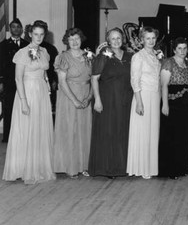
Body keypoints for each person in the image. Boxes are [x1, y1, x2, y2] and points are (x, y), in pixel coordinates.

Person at [2, 20, 55, 184]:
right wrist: (24, 102)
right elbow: (18, 79)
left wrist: (47, 88)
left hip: (41, 94)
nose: (38, 37)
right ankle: (23, 168)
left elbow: (44, 73)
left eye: (41, 34)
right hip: (27, 92)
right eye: (35, 34)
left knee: (39, 129)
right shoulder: (22, 53)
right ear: (30, 34)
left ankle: (38, 167)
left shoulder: (45, 51)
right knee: (26, 129)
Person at [88, 28, 133, 178]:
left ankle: (123, 167)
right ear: (108, 41)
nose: (116, 41)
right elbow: (94, 79)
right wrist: (98, 100)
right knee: (109, 132)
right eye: (113, 38)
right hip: (107, 99)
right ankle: (108, 169)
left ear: (123, 39)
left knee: (123, 131)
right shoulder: (103, 56)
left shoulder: (129, 56)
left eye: (118, 38)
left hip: (125, 99)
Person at [52, 28, 93, 178]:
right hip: (69, 97)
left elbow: (94, 79)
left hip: (85, 94)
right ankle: (70, 166)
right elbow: (62, 82)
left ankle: (84, 165)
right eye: (71, 39)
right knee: (70, 130)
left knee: (84, 130)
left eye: (77, 38)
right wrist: (75, 100)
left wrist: (89, 97)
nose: (75, 42)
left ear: (81, 39)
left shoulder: (89, 55)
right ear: (66, 41)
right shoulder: (63, 57)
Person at [127, 27, 161, 179]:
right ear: (142, 40)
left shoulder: (156, 55)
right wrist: (139, 102)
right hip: (143, 96)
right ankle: (140, 167)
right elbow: (134, 80)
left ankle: (150, 166)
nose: (151, 41)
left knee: (152, 132)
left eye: (153, 38)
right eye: (148, 38)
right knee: (143, 131)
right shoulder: (138, 57)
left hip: (155, 96)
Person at [158, 37, 188, 179]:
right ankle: (170, 169)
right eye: (179, 48)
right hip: (172, 103)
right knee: (171, 136)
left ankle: (181, 167)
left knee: (183, 136)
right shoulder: (168, 62)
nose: (182, 51)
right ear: (174, 49)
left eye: (185, 48)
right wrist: (165, 104)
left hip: (185, 104)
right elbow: (164, 85)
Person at [0, 18, 29, 142]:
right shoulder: (3, 45)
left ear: (21, 29)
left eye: (18, 27)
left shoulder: (27, 45)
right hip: (9, 82)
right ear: (10, 29)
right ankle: (7, 137)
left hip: (25, 82)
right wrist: (1, 81)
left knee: (24, 107)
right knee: (9, 109)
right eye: (13, 27)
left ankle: (22, 137)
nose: (16, 29)